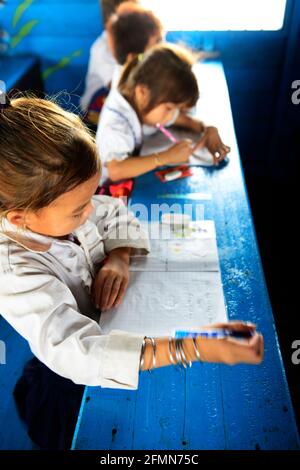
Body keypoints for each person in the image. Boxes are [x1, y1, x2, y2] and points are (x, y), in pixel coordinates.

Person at [0, 96, 263, 449]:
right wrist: (192, 347)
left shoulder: (61, 205)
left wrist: (120, 256)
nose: (90, 210)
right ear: (20, 219)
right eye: (80, 210)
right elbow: (76, 353)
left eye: (91, 196)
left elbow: (111, 211)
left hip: (122, 332)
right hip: (71, 379)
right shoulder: (13, 271)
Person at [96, 43, 231, 185]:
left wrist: (208, 129)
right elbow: (116, 170)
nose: (172, 115)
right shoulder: (116, 125)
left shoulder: (138, 93)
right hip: (107, 194)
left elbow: (185, 121)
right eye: (169, 108)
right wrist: (165, 157)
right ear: (142, 92)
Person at [80, 1, 162, 127]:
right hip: (97, 107)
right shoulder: (102, 49)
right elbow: (124, 90)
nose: (159, 45)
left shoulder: (145, 37)